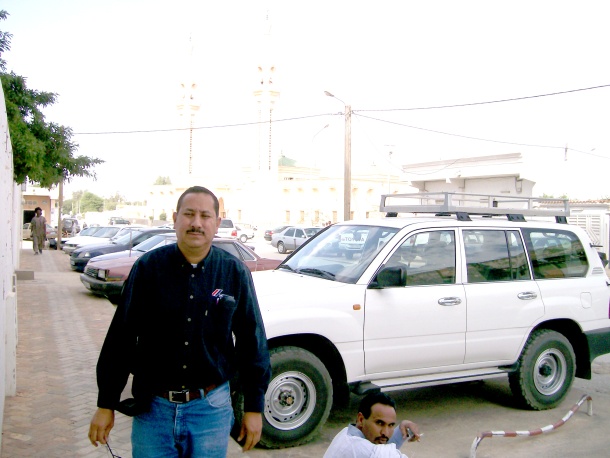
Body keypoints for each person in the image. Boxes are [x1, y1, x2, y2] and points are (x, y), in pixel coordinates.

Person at [88, 186, 271, 457]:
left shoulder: (234, 272)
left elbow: (251, 341)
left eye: (205, 216)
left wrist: (254, 407)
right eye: (189, 214)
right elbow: (121, 338)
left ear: (217, 223)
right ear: (175, 218)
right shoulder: (148, 269)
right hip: (153, 410)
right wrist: (106, 403)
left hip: (211, 410)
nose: (196, 223)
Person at [324, 392, 421, 458]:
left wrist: (401, 429)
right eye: (379, 423)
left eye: (390, 425)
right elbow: (375, 452)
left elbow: (380, 447)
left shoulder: (347, 432)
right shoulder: (360, 449)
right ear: (361, 419)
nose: (385, 432)